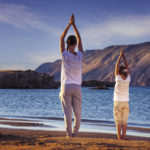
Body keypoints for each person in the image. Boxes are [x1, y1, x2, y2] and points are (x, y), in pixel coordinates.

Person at [59, 14, 83, 138]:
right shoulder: (79, 55)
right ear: (75, 44)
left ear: (68, 44)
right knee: (77, 114)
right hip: (77, 87)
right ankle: (75, 133)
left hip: (66, 86)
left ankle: (69, 135)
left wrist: (69, 24)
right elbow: (79, 37)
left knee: (67, 113)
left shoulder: (64, 54)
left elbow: (62, 37)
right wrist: (74, 25)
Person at [113, 48, 130, 140]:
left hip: (118, 102)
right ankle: (124, 137)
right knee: (124, 121)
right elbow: (127, 68)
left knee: (118, 121)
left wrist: (120, 56)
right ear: (126, 72)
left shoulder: (118, 79)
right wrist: (124, 57)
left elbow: (116, 67)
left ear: (119, 73)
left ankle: (119, 137)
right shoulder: (127, 80)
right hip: (125, 102)